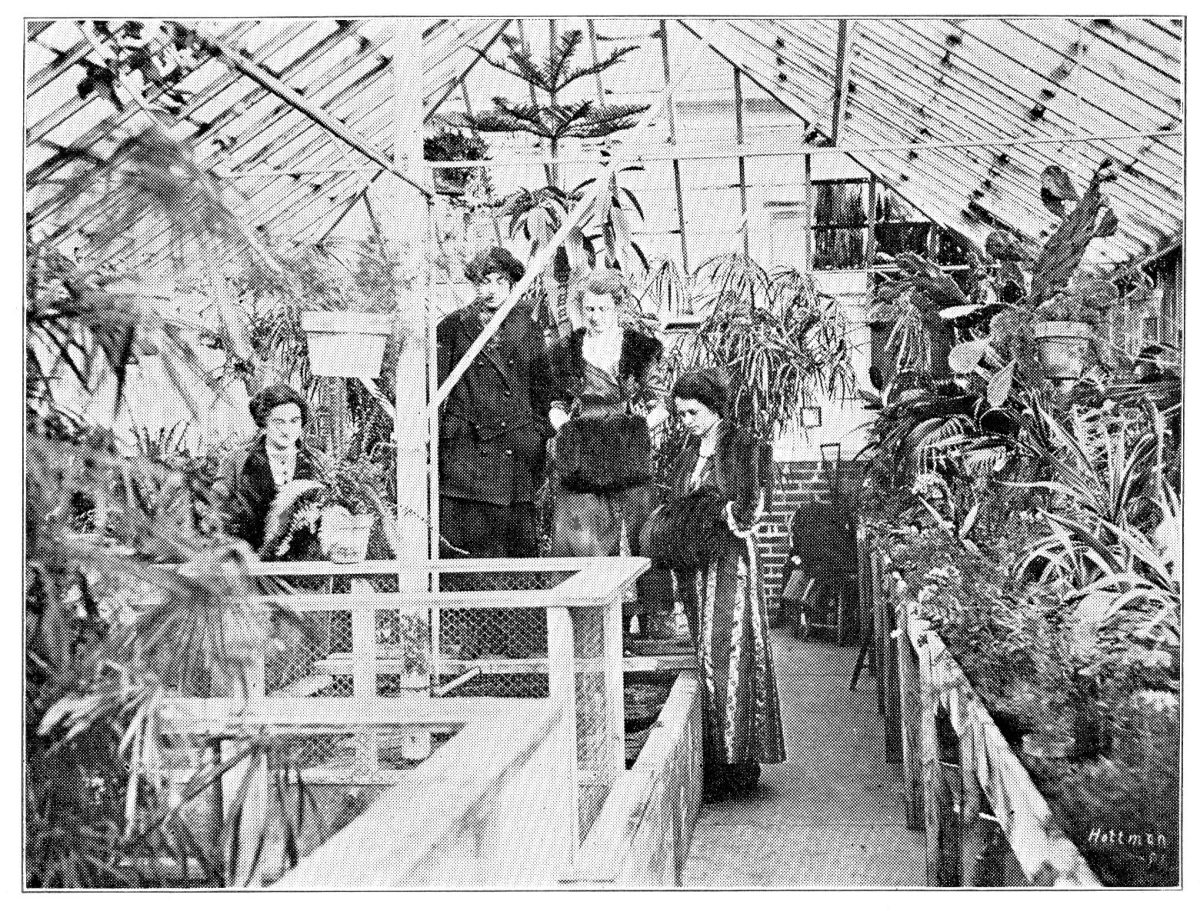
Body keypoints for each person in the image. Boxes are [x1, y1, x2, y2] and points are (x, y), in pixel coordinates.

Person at [653, 368, 786, 799]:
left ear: (713, 407)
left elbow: (750, 510)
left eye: (693, 412)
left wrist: (714, 511)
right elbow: (673, 496)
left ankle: (738, 766)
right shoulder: (688, 446)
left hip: (729, 565)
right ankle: (716, 762)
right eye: (682, 413)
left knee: (730, 655)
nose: (686, 420)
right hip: (695, 565)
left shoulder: (743, 444)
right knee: (704, 655)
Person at [544, 269, 669, 635]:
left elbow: (660, 399)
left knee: (642, 528)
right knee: (578, 531)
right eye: (589, 309)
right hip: (582, 452)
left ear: (617, 308)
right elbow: (555, 402)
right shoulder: (565, 351)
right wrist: (562, 427)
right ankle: (583, 621)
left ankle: (652, 619)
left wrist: (643, 425)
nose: (595, 316)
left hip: (627, 450)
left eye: (602, 308)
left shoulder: (640, 349)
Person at [436, 247, 553, 559]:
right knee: (467, 549)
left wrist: (538, 433)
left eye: (499, 281)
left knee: (514, 548)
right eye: (483, 282)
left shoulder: (529, 328)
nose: (489, 290)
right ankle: (464, 609)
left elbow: (542, 389)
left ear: (512, 283)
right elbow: (431, 385)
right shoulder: (453, 326)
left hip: (515, 451)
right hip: (468, 452)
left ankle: (518, 609)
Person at [215, 383, 327, 554]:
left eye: (294, 421)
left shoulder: (317, 461)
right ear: (263, 422)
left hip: (305, 567)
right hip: (250, 564)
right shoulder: (236, 460)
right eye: (278, 422)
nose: (287, 430)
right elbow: (217, 510)